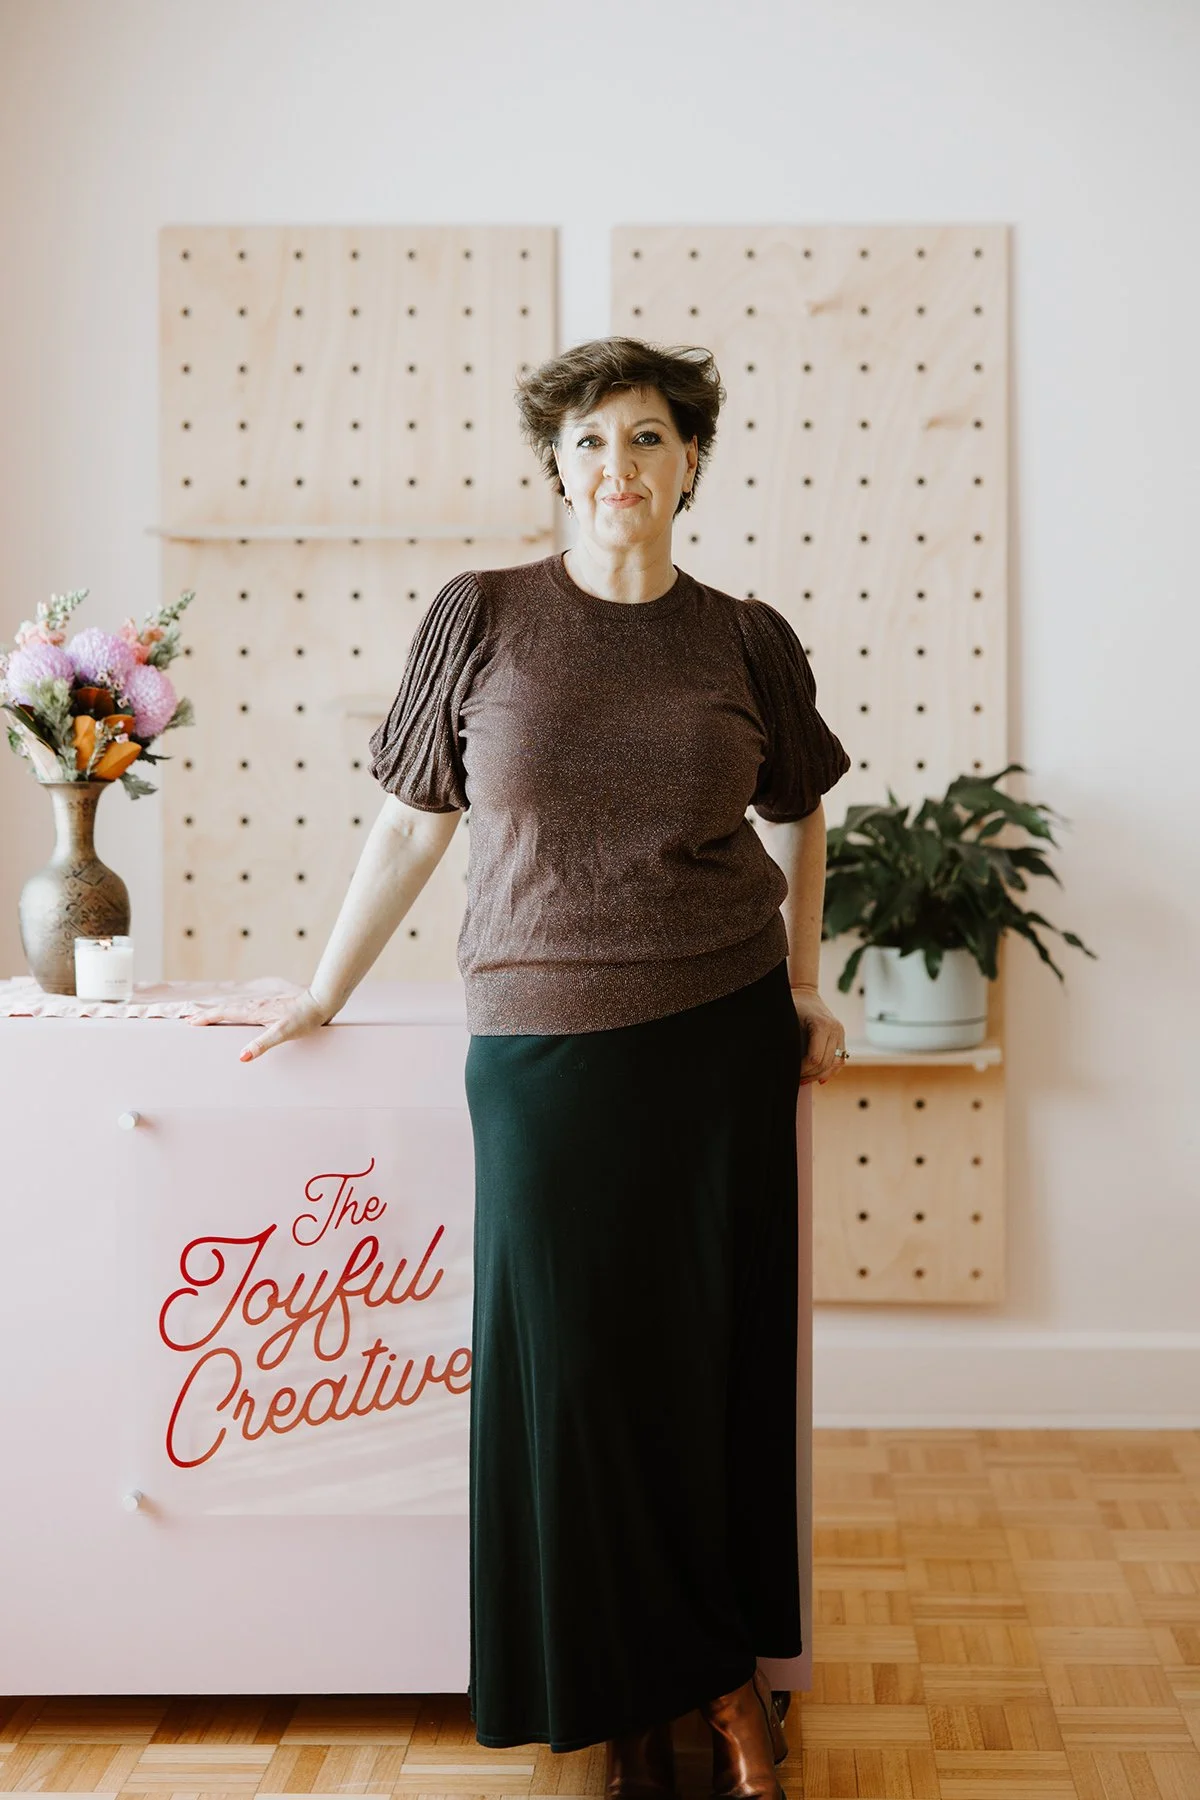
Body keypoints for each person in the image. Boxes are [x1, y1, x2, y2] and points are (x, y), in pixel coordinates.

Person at [199, 337, 852, 1799]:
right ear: (556, 469)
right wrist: (322, 989)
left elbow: (802, 809)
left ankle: (724, 1685)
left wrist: (806, 986)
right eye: (589, 443)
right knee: (578, 1380)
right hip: (543, 1047)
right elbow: (407, 823)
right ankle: (642, 1692)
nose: (617, 466)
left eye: (646, 438)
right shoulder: (482, 615)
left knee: (708, 1369)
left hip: (721, 1034)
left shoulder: (746, 637)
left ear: (691, 461)